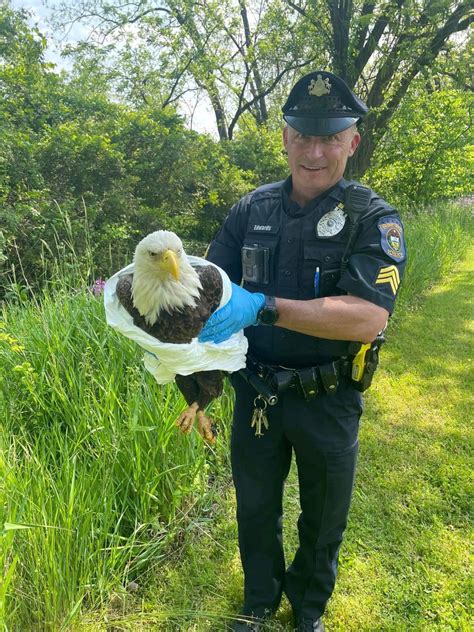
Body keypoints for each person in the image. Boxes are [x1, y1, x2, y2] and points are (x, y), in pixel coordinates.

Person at [199, 70, 407, 631]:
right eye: (303, 136)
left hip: (329, 395)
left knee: (322, 516)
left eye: (330, 137)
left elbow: (368, 316)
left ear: (352, 141)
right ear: (285, 137)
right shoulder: (251, 210)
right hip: (258, 392)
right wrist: (193, 366)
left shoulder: (373, 218)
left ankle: (308, 609)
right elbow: (209, 291)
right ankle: (259, 600)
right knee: (256, 506)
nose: (314, 151)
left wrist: (265, 306)